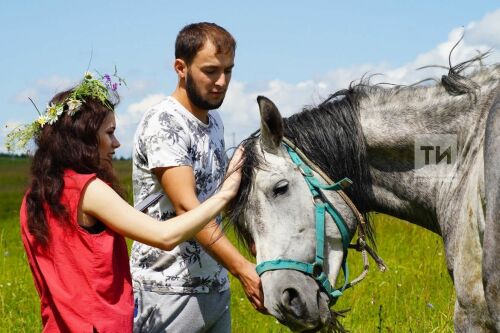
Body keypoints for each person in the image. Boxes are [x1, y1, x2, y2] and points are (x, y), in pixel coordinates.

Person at [7, 71, 244, 332]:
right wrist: (225, 194)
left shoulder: (35, 196)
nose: (116, 143)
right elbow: (165, 236)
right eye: (109, 133)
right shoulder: (89, 190)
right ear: (84, 138)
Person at [130, 22, 264, 332]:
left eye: (228, 71)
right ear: (180, 67)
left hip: (213, 287)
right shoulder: (165, 122)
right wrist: (243, 269)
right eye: (210, 71)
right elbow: (189, 208)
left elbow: (215, 198)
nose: (221, 81)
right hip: (166, 291)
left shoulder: (213, 119)